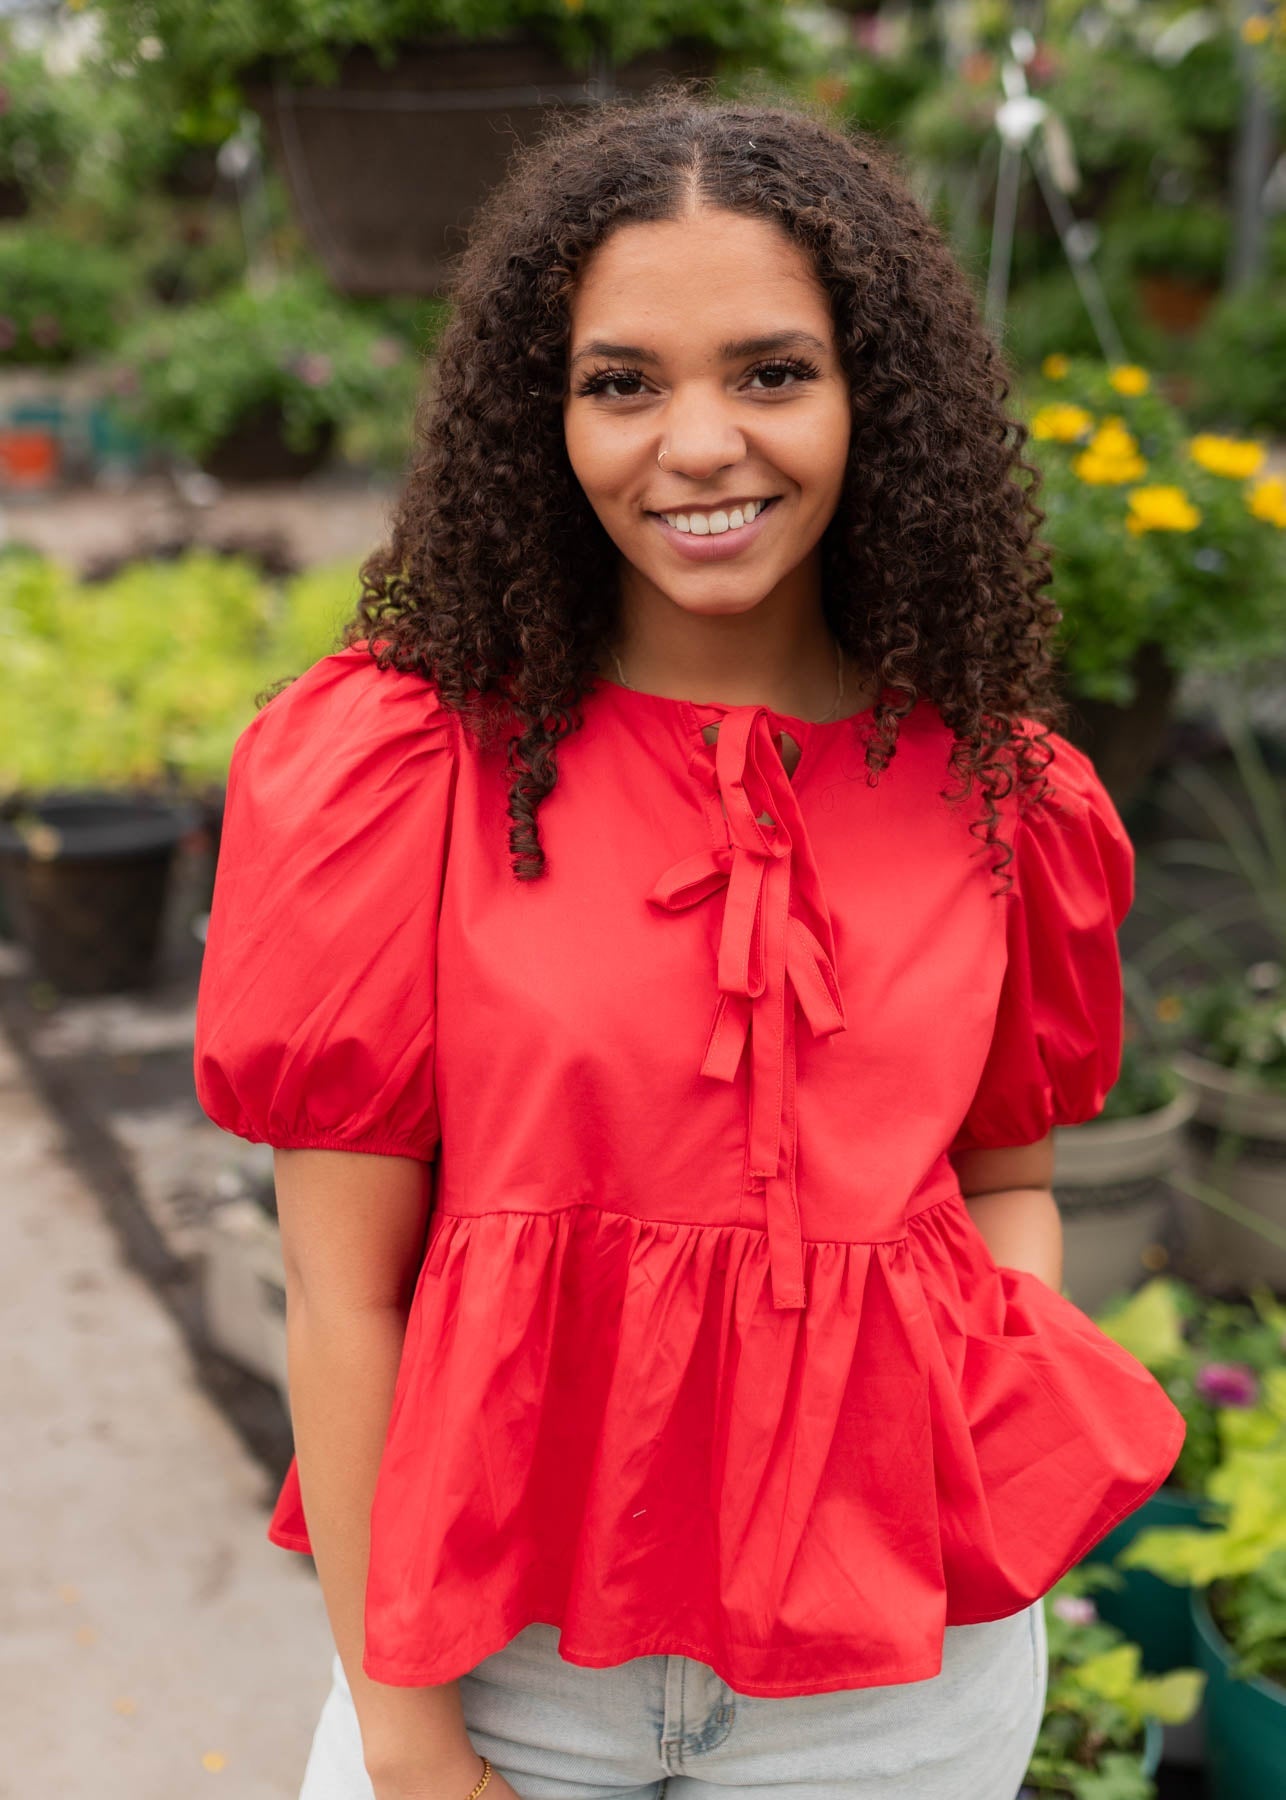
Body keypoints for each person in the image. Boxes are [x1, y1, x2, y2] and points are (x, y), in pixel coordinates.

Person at [193, 88, 1186, 1800]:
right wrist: (412, 1740)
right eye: (621, 382)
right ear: (542, 417)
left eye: (771, 371)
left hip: (897, 1690)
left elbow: (1009, 1182)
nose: (700, 443)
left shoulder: (1004, 798)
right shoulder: (402, 767)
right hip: (500, 1674)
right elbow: (341, 1297)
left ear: (878, 397)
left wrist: (966, 1414)